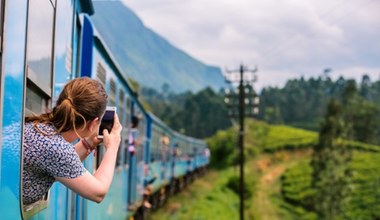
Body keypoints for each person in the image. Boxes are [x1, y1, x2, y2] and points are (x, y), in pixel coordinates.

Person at [22, 77, 122, 206]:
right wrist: (113, 147)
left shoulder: (41, 128)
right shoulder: (56, 148)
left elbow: (60, 163)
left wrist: (88, 144)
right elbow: (98, 193)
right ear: (93, 123)